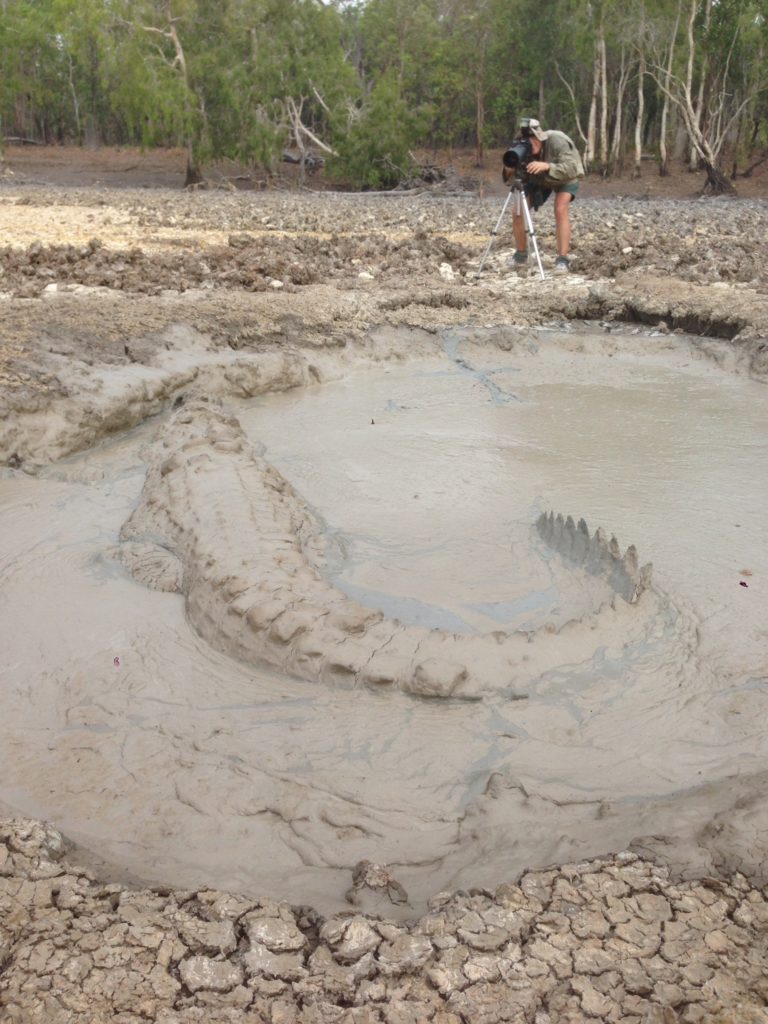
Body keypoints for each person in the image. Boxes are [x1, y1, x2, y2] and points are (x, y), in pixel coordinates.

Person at [506, 117, 585, 275]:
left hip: (566, 176)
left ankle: (562, 259)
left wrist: (547, 165)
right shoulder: (519, 147)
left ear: (539, 138)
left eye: (533, 140)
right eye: (526, 141)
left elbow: (571, 168)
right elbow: (509, 178)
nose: (530, 144)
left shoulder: (557, 140)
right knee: (518, 211)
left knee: (560, 208)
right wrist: (509, 166)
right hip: (538, 178)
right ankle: (521, 255)